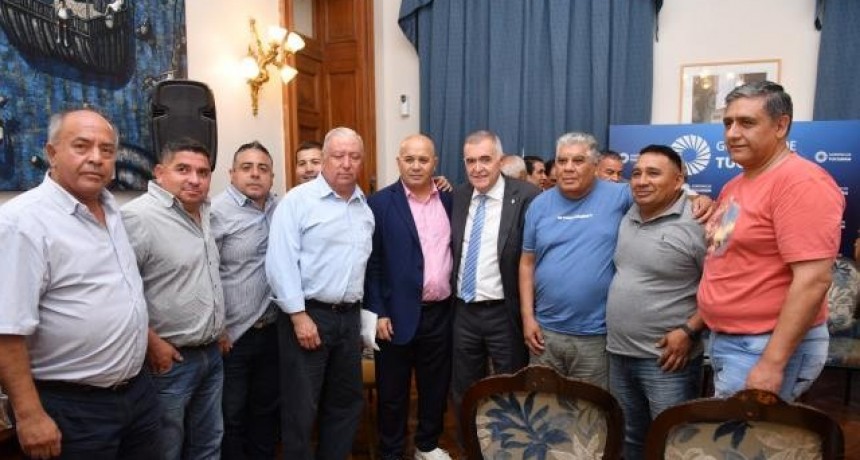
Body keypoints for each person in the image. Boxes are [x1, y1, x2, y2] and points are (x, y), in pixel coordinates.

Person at [0, 108, 162, 459]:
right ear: (52, 153)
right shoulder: (22, 223)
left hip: (137, 394)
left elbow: (114, 290)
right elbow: (6, 330)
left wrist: (147, 340)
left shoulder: (111, 209)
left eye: (107, 150)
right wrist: (29, 415)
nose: (96, 158)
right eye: (81, 146)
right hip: (71, 407)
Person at [520, 133, 712, 389]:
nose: (568, 168)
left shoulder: (620, 194)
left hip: (597, 336)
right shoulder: (539, 204)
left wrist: (697, 199)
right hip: (545, 332)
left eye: (578, 160)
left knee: (593, 409)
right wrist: (527, 318)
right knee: (544, 404)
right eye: (562, 161)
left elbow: (662, 193)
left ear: (595, 166)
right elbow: (527, 263)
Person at [699, 81, 845, 401]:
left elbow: (813, 280)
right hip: (731, 341)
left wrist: (771, 363)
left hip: (763, 348)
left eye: (746, 122)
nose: (732, 133)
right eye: (728, 123)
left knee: (745, 434)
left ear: (781, 126)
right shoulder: (735, 184)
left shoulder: (801, 182)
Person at [266, 127, 374, 460]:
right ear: (324, 159)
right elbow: (280, 262)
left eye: (354, 157)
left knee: (345, 403)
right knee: (301, 408)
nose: (346, 163)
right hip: (308, 316)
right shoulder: (297, 202)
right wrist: (299, 317)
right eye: (338, 156)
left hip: (348, 319)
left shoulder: (364, 208)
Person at [122, 138, 226, 460]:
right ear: (159, 172)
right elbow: (120, 292)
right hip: (170, 361)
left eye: (203, 172)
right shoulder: (138, 217)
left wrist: (218, 325)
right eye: (183, 169)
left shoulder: (206, 212)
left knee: (208, 445)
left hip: (211, 355)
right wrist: (152, 343)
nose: (195, 179)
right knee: (166, 449)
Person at [606, 145, 706, 460]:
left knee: (673, 442)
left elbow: (721, 287)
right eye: (636, 173)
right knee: (630, 439)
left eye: (653, 173)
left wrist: (689, 331)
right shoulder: (628, 214)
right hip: (619, 354)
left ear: (678, 181)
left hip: (666, 360)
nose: (641, 181)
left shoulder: (700, 221)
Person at [365, 134, 454, 460]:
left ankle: (426, 446)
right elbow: (371, 263)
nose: (416, 166)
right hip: (394, 314)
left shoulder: (450, 199)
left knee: (435, 388)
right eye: (409, 159)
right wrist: (378, 311)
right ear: (398, 161)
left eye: (423, 160)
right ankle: (391, 451)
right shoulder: (379, 203)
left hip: (441, 313)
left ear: (435, 163)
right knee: (392, 393)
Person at [450, 130, 541, 426]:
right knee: (465, 389)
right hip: (463, 311)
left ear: (500, 161)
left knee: (510, 388)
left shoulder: (527, 196)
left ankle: (508, 445)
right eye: (470, 161)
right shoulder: (458, 197)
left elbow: (534, 256)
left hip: (504, 312)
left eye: (485, 159)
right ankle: (471, 444)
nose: (477, 168)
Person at [211, 141, 279, 459]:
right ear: (232, 173)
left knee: (266, 412)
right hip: (233, 336)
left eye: (263, 168)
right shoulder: (216, 212)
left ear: (272, 176)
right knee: (232, 415)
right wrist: (218, 327)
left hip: (273, 329)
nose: (255, 174)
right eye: (247, 167)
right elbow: (206, 272)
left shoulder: (281, 207)